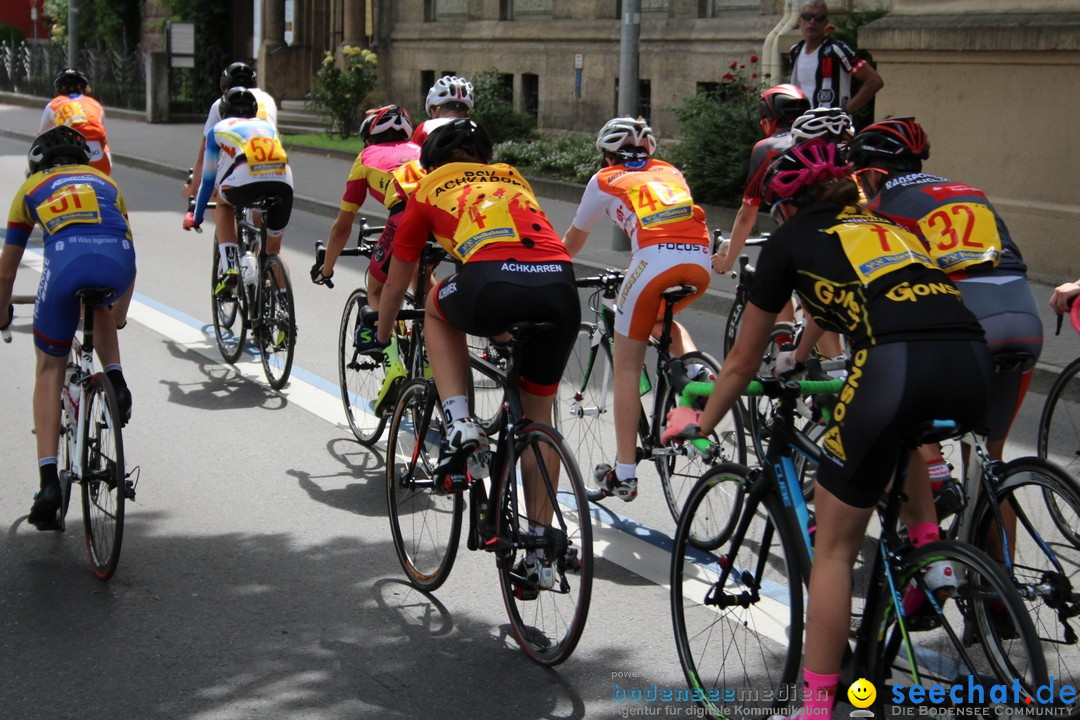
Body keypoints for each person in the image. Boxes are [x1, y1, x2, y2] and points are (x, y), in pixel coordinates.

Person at [664, 138, 991, 720]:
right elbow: (841, 295)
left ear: (783, 206)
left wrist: (702, 418)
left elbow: (740, 361)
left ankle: (815, 706)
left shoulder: (790, 239)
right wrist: (801, 356)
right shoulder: (879, 223)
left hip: (893, 364)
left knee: (835, 549)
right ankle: (930, 557)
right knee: (907, 434)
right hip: (969, 357)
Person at [358, 118, 580, 590]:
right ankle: (540, 550)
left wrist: (380, 333)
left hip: (491, 283)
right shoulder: (512, 176)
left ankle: (459, 422)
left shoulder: (427, 186)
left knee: (437, 306)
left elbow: (397, 283)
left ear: (433, 162)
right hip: (560, 289)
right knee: (539, 418)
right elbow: (524, 248)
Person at [847, 116, 1043, 507]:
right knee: (989, 467)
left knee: (902, 408)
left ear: (870, 174)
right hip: (1023, 314)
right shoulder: (969, 191)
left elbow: (867, 288)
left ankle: (933, 487)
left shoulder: (879, 209)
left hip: (967, 319)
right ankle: (996, 567)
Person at [563, 116, 712, 502]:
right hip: (700, 259)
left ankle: (624, 473)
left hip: (652, 262)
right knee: (664, 319)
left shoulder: (604, 179)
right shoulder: (670, 170)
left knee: (627, 367)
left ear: (607, 156)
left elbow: (573, 243)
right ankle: (696, 372)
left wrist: (551, 270)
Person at [0, 126, 136, 529]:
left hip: (64, 269)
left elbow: (7, 270)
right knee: (101, 306)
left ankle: (47, 486)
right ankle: (117, 380)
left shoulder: (30, 189)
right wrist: (121, 314)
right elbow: (131, 250)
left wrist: (3, 312)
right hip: (119, 263)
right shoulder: (108, 183)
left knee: (48, 368)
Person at [182, 88, 294, 303]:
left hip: (246, 181)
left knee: (222, 203)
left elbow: (208, 181)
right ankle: (283, 316)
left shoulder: (217, 130)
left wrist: (197, 216)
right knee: (274, 249)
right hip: (284, 182)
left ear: (223, 113)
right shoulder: (267, 127)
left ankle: (231, 267)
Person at [312, 104, 423, 302]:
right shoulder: (421, 150)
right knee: (423, 276)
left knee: (376, 291)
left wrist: (326, 269)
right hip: (443, 212)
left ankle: (377, 333)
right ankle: (429, 325)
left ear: (368, 140)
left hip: (405, 215)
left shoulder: (366, 157)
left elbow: (342, 228)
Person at [712, 84, 808, 275]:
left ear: (767, 122)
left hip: (802, 237)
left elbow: (747, 215)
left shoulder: (767, 148)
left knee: (772, 291)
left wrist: (727, 261)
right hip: (848, 232)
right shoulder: (826, 141)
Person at [182, 61, 278, 203]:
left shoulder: (221, 103)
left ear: (225, 86)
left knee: (216, 195)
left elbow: (204, 153)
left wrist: (192, 188)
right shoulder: (268, 100)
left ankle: (227, 224)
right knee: (260, 212)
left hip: (241, 163)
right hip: (273, 160)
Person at [789, 0, 883, 114]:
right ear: (799, 20)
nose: (812, 21)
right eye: (807, 16)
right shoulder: (796, 51)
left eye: (819, 17)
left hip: (832, 126)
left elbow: (875, 81)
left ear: (826, 22)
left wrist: (844, 110)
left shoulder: (836, 49)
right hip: (802, 124)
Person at [39, 68, 112, 176]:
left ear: (58, 89)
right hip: (99, 157)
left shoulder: (53, 105)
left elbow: (41, 139)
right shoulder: (95, 105)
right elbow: (103, 137)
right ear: (84, 88)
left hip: (69, 157)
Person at [410, 75, 474, 146]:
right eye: (451, 105)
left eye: (461, 107)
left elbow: (411, 155)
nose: (456, 109)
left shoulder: (425, 128)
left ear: (434, 112)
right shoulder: (475, 129)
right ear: (467, 115)